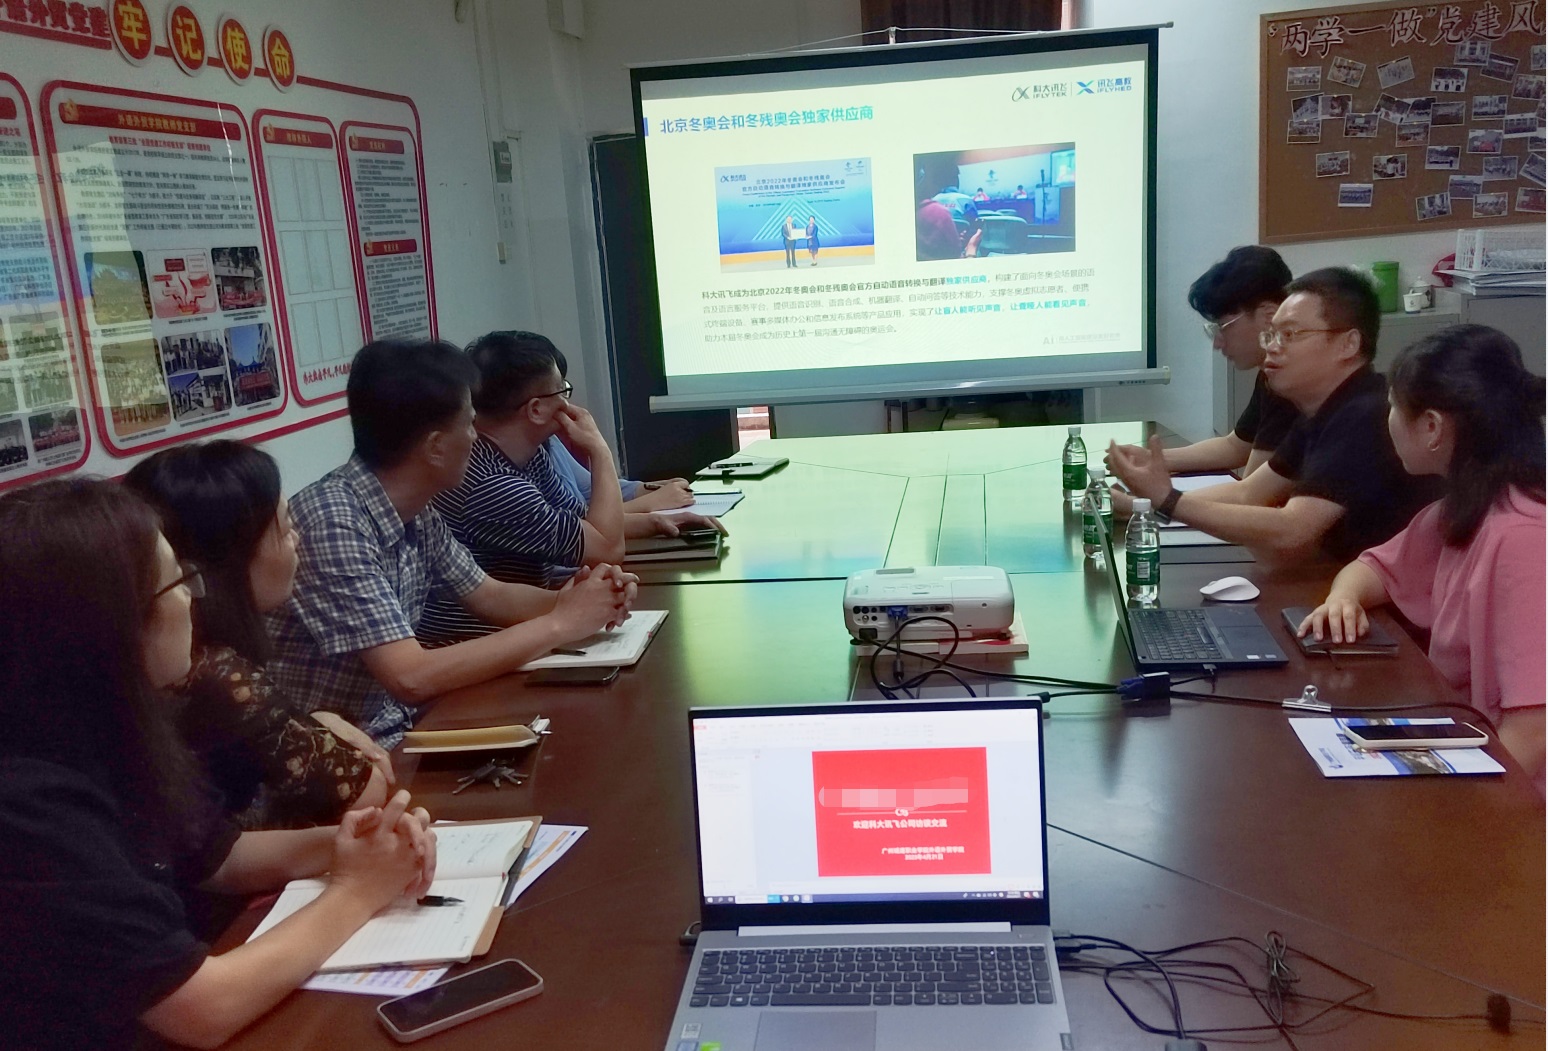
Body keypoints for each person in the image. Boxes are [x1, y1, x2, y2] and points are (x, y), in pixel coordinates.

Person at [0, 477, 435, 1050]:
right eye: (175, 582)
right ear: (109, 624)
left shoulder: (111, 722)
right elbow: (201, 1009)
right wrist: (357, 891)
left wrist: (353, 844)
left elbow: (217, 855)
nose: (192, 598)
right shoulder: (28, 805)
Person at [266, 339, 637, 748]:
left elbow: (490, 595)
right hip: (336, 754)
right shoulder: (334, 522)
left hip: (393, 729)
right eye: (470, 424)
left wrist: (585, 599)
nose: (476, 437)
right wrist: (561, 622)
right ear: (436, 447)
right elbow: (411, 676)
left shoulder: (414, 510)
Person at [1299, 325, 1545, 787]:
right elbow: (1372, 568)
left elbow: (1534, 733)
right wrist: (1343, 599)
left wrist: (1450, 817)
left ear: (1431, 427)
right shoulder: (1466, 508)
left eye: (1393, 405)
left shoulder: (1524, 537)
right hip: (1476, 750)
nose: (1387, 419)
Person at [125, 441, 393, 829]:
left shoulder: (186, 657)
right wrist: (318, 727)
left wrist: (313, 723)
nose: (296, 540)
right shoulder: (215, 673)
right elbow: (367, 792)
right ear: (230, 555)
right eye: (283, 529)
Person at [1107, 267, 1438, 566]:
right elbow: (1249, 493)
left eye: (1290, 334)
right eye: (1271, 335)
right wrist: (1141, 503)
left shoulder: (1365, 414)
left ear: (1348, 344)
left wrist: (1166, 500)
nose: (1272, 347)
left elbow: (1293, 529)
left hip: (1387, 603)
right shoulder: (1320, 410)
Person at [421, 331, 723, 640]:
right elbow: (607, 548)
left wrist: (655, 522)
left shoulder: (530, 453)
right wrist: (599, 449)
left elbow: (583, 523)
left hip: (523, 625)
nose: (568, 402)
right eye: (563, 390)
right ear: (536, 409)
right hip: (482, 641)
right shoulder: (491, 486)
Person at [1144, 246, 1298, 477]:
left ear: (1268, 316)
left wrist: (1158, 494)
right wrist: (1149, 459)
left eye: (1222, 327)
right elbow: (1236, 447)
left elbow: (1251, 493)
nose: (1217, 343)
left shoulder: (1294, 381)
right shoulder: (1271, 373)